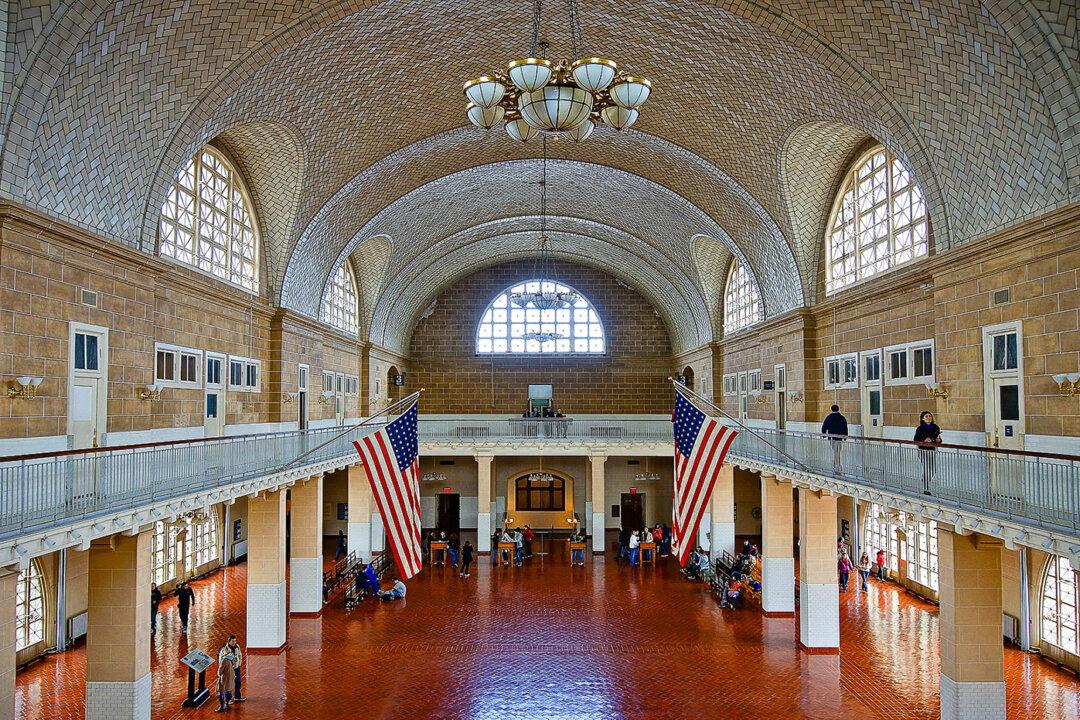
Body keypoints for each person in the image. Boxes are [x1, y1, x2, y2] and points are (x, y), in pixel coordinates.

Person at [914, 410, 942, 495]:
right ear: (922, 418)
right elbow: (915, 439)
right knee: (927, 468)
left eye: (930, 416)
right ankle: (926, 488)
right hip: (923, 450)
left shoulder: (936, 427)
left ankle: (925, 480)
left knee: (933, 470)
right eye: (926, 416)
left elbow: (938, 438)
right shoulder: (920, 428)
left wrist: (939, 440)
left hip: (932, 450)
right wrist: (924, 440)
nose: (929, 417)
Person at [821, 404, 849, 470]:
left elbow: (824, 426)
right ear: (838, 409)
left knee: (834, 451)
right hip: (839, 437)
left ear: (831, 409)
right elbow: (845, 427)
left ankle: (835, 465)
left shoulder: (829, 417)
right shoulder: (842, 417)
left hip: (832, 437)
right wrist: (845, 436)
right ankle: (838, 464)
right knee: (838, 451)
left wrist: (824, 434)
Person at [217, 635, 245, 702]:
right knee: (228, 684)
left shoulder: (237, 647)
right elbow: (221, 659)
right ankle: (228, 699)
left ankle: (237, 696)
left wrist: (239, 663)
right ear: (229, 641)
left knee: (238, 682)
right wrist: (222, 668)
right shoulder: (224, 649)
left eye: (235, 641)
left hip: (236, 667)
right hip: (229, 669)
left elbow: (240, 655)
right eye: (232, 641)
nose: (234, 642)